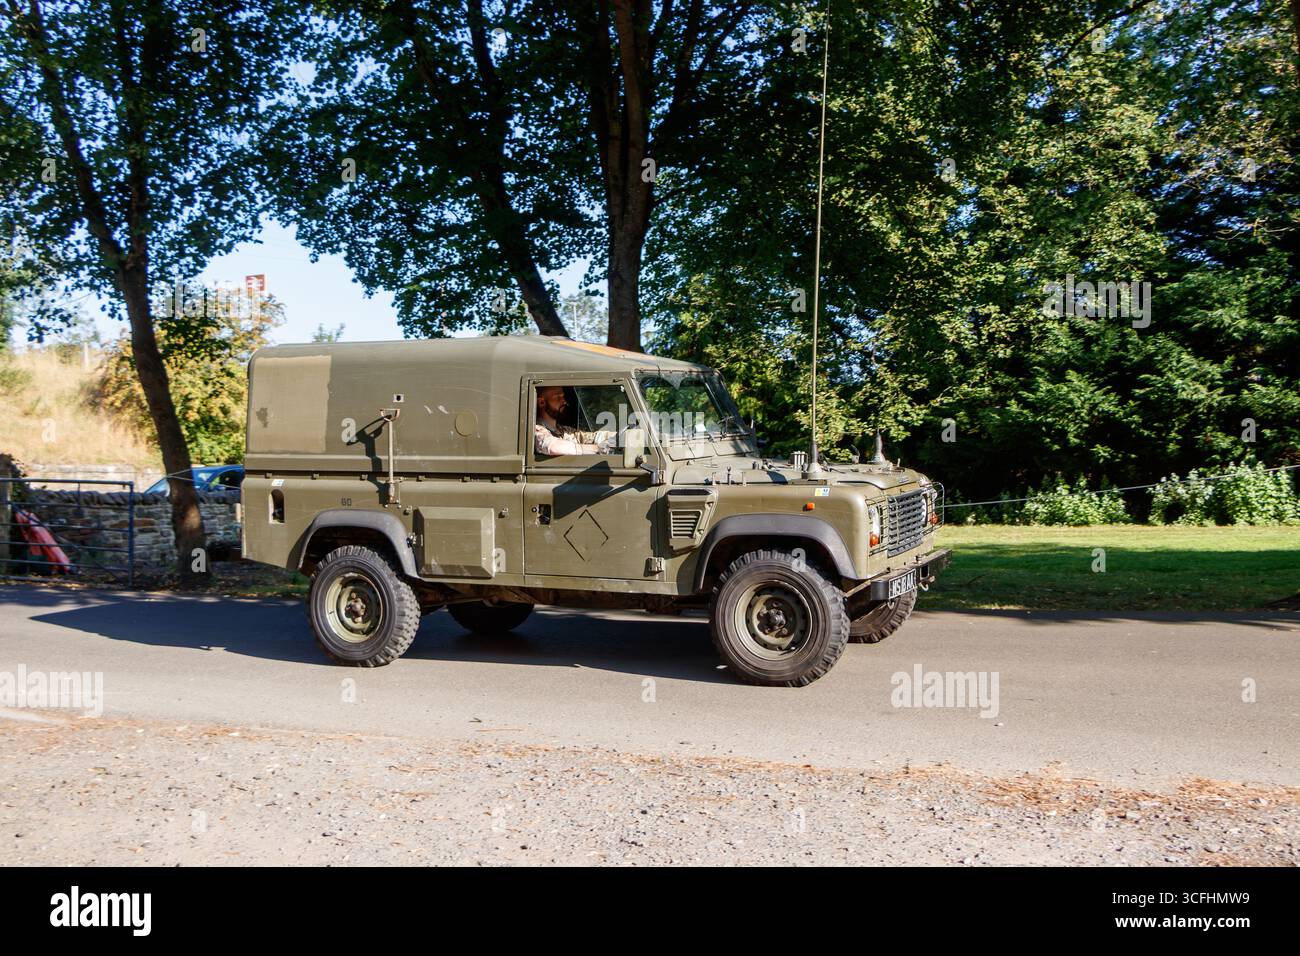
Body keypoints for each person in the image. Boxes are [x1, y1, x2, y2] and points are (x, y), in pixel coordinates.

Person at [534, 385, 614, 456]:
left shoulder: (563, 430)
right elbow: (552, 447)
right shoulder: (536, 429)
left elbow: (587, 437)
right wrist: (596, 449)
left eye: (563, 397)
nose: (564, 401)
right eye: (558, 397)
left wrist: (616, 437)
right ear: (542, 402)